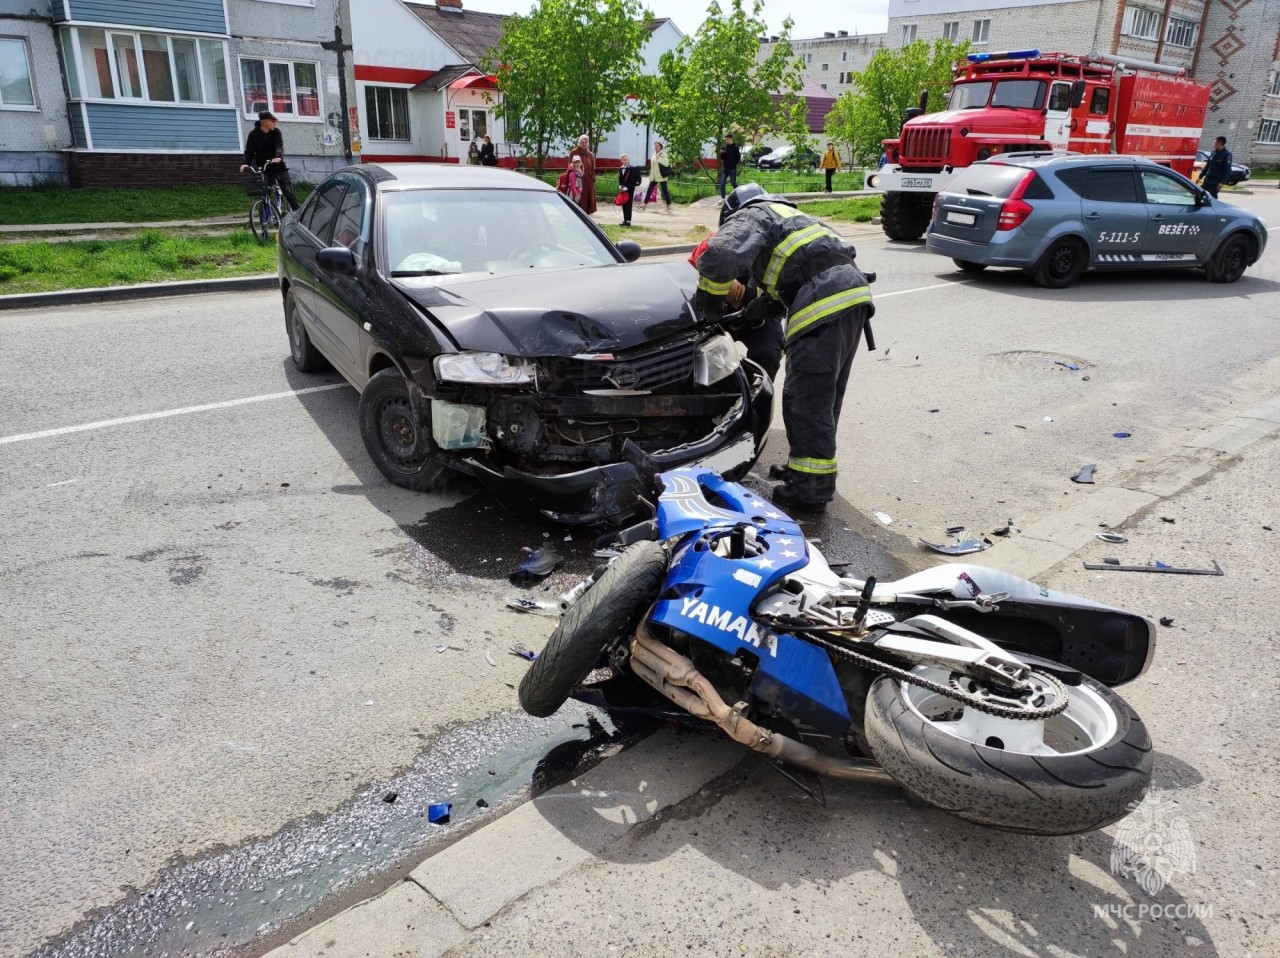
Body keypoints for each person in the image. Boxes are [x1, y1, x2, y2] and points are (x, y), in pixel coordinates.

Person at [691, 183, 875, 511]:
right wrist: (747, 312)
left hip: (823, 297)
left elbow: (718, 256)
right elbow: (778, 298)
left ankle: (810, 490)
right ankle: (805, 470)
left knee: (804, 399)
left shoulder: (754, 213)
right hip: (853, 294)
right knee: (824, 395)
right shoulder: (790, 218)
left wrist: (707, 308)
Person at [239, 111, 299, 211]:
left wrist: (278, 156)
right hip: (263, 167)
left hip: (277, 166)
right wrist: (245, 163)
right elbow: (249, 151)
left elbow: (279, 146)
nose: (275, 123)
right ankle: (265, 221)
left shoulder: (276, 132)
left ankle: (298, 214)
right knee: (264, 194)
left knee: (287, 191)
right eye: (273, 121)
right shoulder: (253, 135)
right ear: (266, 122)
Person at [568, 135, 597, 214]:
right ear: (579, 143)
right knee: (578, 200)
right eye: (582, 142)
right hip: (577, 180)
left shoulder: (590, 154)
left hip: (588, 181)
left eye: (585, 142)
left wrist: (593, 177)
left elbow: (593, 168)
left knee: (588, 203)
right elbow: (570, 166)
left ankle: (587, 218)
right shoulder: (573, 152)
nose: (584, 144)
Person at [643, 141, 672, 213]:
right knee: (649, 190)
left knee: (665, 191)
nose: (656, 147)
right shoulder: (653, 154)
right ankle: (644, 205)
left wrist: (659, 158)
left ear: (661, 147)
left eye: (657, 146)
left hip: (662, 176)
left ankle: (669, 206)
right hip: (654, 177)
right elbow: (652, 167)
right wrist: (651, 176)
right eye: (655, 146)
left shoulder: (663, 154)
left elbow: (666, 164)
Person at [617, 153, 641, 227]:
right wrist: (620, 186)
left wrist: (627, 187)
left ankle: (628, 220)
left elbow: (632, 180)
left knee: (629, 204)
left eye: (627, 160)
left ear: (628, 160)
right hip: (623, 189)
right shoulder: (621, 168)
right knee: (624, 203)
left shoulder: (631, 168)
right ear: (621, 160)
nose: (626, 161)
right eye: (624, 160)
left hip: (629, 189)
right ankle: (625, 219)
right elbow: (620, 179)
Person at [718, 134, 741, 198]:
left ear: (731, 139)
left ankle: (740, 193)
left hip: (732, 169)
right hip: (725, 169)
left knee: (733, 183)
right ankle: (723, 198)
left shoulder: (735, 148)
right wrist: (721, 153)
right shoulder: (725, 148)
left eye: (727, 139)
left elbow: (738, 158)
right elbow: (722, 158)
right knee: (722, 183)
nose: (726, 141)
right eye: (726, 139)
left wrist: (734, 164)